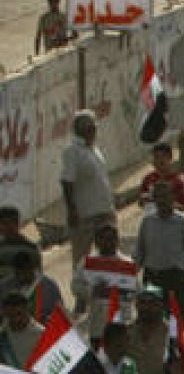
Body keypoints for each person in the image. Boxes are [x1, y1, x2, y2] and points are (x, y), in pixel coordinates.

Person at [61, 111, 116, 266]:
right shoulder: (72, 151)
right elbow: (67, 182)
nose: (94, 132)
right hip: (85, 215)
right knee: (82, 259)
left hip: (104, 211)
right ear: (83, 130)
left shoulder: (93, 149)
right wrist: (71, 210)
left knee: (109, 254)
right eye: (91, 128)